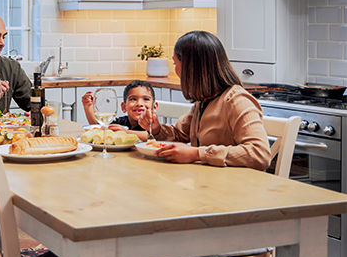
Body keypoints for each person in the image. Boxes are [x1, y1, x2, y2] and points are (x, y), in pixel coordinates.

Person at [139, 30, 271, 170]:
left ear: (191, 67)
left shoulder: (237, 101)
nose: (175, 70)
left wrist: (197, 154)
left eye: (175, 63)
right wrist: (156, 129)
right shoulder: (204, 101)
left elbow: (260, 154)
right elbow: (180, 134)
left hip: (234, 187)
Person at [82, 80, 155, 139]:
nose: (139, 103)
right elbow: (100, 126)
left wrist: (126, 132)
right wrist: (87, 107)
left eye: (146, 99)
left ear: (154, 107)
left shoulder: (154, 126)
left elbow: (151, 136)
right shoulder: (122, 122)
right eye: (133, 99)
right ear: (124, 107)